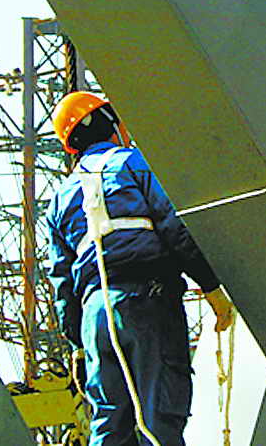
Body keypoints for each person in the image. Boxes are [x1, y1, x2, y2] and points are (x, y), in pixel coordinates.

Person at [47, 90, 234, 446]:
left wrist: (77, 344)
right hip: (147, 301)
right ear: (109, 124)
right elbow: (174, 226)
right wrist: (211, 288)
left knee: (109, 424)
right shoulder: (133, 163)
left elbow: (62, 284)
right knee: (159, 416)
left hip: (96, 317)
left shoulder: (60, 199)